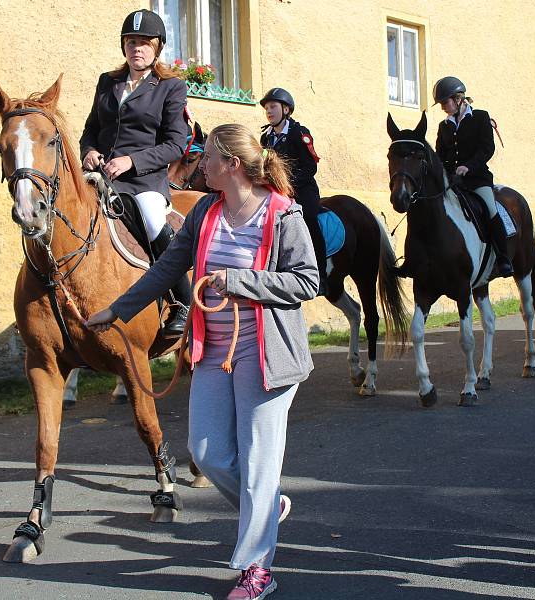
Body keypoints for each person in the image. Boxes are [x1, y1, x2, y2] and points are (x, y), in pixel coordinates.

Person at [85, 123, 319, 599]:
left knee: (258, 464)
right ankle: (267, 509)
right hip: (213, 349)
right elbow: (169, 267)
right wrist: (118, 309)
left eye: (207, 155)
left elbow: (306, 281)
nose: (200, 163)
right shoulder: (208, 212)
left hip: (266, 352)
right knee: (208, 453)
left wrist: (240, 282)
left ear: (231, 164)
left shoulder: (282, 214)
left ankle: (257, 570)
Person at [79, 8, 190, 338]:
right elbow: (90, 129)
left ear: (157, 47)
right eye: (131, 42)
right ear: (123, 46)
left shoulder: (170, 87)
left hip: (145, 181)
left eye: (144, 43)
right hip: (102, 176)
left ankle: (182, 303)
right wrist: (89, 151)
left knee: (153, 217)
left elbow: (175, 145)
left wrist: (132, 161)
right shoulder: (108, 82)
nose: (136, 48)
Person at [433, 76, 513, 277]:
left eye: (445, 102)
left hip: (477, 180)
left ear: (458, 99)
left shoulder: (480, 117)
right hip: (453, 182)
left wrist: (468, 166)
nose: (443, 107)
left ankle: (503, 258)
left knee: (490, 209)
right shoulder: (444, 126)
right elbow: (440, 155)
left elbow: (487, 148)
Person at [259, 87, 328, 296]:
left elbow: (310, 167)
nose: (269, 111)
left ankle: (322, 277)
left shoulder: (300, 133)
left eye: (273, 107)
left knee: (310, 223)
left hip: (301, 190)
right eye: (266, 108)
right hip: (277, 192)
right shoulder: (266, 138)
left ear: (286, 109)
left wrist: (287, 185)